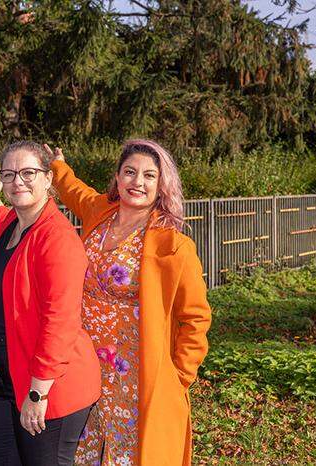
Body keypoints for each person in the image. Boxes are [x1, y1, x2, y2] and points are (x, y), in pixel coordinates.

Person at [44, 140, 211, 466]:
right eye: (130, 172)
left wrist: (179, 377)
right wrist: (57, 166)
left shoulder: (173, 245)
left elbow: (196, 317)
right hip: (82, 365)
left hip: (134, 373)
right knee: (81, 449)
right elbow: (74, 191)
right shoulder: (99, 212)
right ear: (117, 179)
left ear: (161, 185)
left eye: (150, 176)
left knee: (127, 454)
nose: (138, 182)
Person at [0, 141, 101, 466]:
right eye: (9, 174)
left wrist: (37, 393)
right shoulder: (14, 227)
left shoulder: (57, 239)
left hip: (50, 385)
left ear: (47, 179)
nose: (18, 181)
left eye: (28, 172)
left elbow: (61, 320)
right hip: (9, 378)